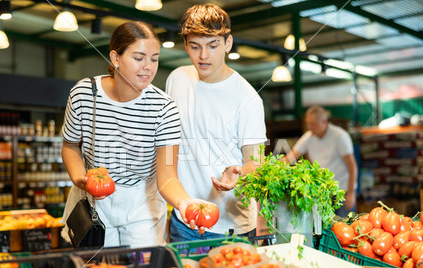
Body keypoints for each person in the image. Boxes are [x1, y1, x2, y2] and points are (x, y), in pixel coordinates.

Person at [61, 21, 206, 248]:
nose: (148, 66)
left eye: (154, 58)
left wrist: (184, 203)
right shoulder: (84, 94)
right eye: (139, 58)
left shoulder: (164, 108)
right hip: (93, 205)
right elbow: (70, 147)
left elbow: (167, 175)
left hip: (142, 205)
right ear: (116, 58)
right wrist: (81, 179)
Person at [166, 4, 267, 242]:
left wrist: (240, 173)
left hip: (232, 226)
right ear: (186, 45)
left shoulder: (248, 98)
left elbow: (257, 163)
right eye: (195, 46)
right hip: (185, 219)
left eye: (213, 46)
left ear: (227, 44)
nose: (203, 56)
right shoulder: (177, 79)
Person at [285, 105, 358, 217]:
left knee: (345, 228)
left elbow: (352, 166)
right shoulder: (309, 136)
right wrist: (271, 166)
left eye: (312, 124)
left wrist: (351, 193)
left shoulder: (340, 136)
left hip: (342, 193)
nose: (309, 127)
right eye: (307, 123)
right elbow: (290, 157)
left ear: (324, 122)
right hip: (322, 194)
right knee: (325, 230)